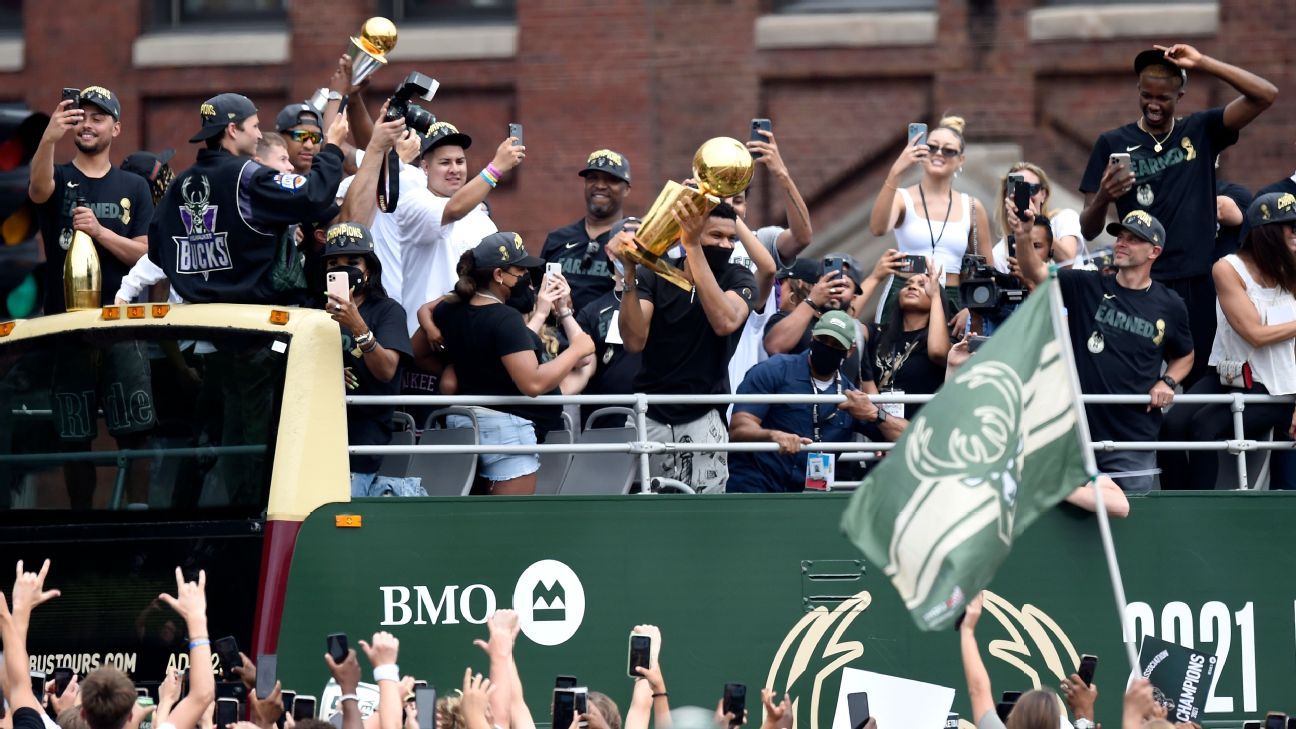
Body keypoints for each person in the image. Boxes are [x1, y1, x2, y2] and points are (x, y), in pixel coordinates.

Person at [1079, 44, 1276, 386]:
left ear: (1180, 94)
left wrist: (1203, 62)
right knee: (1134, 379)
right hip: (1140, 282)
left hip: (1196, 282)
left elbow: (1265, 95)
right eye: (1146, 95)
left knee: (1199, 378)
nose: (1154, 104)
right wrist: (1104, 198)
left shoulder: (1200, 130)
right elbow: (1088, 227)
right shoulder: (1112, 142)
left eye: (1164, 97)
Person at [1018, 209, 1193, 493]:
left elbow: (1185, 355)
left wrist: (1169, 380)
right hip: (1076, 435)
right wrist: (1023, 235)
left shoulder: (1170, 304)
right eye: (1120, 236)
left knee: (1131, 525)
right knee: (1070, 526)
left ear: (1154, 251)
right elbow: (1034, 272)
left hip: (1133, 440)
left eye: (1134, 239)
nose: (1122, 243)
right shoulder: (1086, 284)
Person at [432, 232, 594, 495]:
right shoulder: (504, 318)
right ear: (498, 275)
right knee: (510, 523)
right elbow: (533, 382)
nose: (525, 279)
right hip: (504, 431)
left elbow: (422, 338)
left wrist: (453, 366)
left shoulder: (450, 309)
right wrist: (575, 350)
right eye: (520, 271)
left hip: (464, 423)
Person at [614, 200, 757, 493]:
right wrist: (629, 274)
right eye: (716, 236)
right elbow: (633, 340)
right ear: (689, 232)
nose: (726, 245)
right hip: (651, 415)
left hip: (705, 417)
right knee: (647, 514)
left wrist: (693, 248)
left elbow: (725, 321)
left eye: (731, 238)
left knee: (705, 519)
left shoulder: (738, 277)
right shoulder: (655, 274)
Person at [149, 92, 347, 304]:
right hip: (253, 321)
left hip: (195, 319)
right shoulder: (249, 176)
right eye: (255, 126)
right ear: (233, 130)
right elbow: (313, 194)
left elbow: (156, 249)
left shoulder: (180, 182)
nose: (260, 135)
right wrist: (333, 148)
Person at [1160, 192, 1296, 490]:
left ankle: (1202, 511)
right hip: (1229, 374)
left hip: (1280, 386)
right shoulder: (1228, 267)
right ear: (1269, 233)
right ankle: (1175, 503)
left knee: (1204, 428)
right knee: (1171, 426)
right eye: (1291, 227)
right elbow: (1255, 334)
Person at [728, 311, 908, 493]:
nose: (828, 347)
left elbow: (909, 436)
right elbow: (738, 428)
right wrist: (773, 436)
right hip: (754, 486)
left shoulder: (851, 397)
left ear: (850, 350)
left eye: (836, 345)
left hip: (804, 498)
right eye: (823, 340)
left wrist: (875, 414)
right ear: (812, 337)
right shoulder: (774, 370)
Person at [28, 86, 154, 315]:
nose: (87, 125)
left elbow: (145, 256)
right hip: (63, 321)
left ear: (116, 129)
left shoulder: (135, 185)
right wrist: (48, 139)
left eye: (97, 119)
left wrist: (99, 232)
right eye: (81, 118)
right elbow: (37, 189)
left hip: (121, 321)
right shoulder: (57, 176)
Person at [320, 221, 421, 497]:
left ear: (369, 270)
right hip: (318, 434)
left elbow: (387, 370)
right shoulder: (314, 311)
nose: (342, 269)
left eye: (352, 262)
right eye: (333, 264)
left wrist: (357, 325)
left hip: (363, 439)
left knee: (342, 514)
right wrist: (326, 373)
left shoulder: (388, 312)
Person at [868, 115, 992, 320]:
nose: (939, 154)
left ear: (961, 159)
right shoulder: (902, 198)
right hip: (906, 291)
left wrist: (972, 309)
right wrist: (896, 171)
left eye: (949, 150)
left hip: (952, 296)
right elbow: (878, 228)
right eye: (932, 147)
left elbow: (988, 269)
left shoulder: (971, 206)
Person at [724, 128, 813, 392]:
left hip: (749, 376)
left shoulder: (760, 241)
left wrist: (781, 174)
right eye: (723, 198)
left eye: (738, 200)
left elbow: (802, 236)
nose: (730, 205)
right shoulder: (685, 248)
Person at [541, 149, 632, 313]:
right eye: (593, 178)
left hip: (610, 335)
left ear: (626, 189)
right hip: (558, 335)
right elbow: (536, 292)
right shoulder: (557, 239)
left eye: (611, 179)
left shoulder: (633, 242)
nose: (600, 185)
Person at [575, 217, 644, 428]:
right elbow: (583, 367)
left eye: (641, 247)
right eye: (627, 246)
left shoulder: (665, 301)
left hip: (656, 418)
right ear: (610, 251)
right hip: (605, 422)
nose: (634, 253)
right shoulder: (592, 311)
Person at [762, 258, 867, 385]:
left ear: (854, 296)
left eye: (844, 285)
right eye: (830, 281)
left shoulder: (856, 333)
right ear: (816, 285)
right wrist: (812, 300)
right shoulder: (786, 319)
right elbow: (775, 346)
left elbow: (864, 387)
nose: (836, 289)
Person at [864, 268, 949, 420]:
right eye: (908, 284)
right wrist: (875, 276)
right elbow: (845, 325)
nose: (912, 286)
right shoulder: (877, 332)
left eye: (922, 285)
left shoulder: (943, 341)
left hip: (916, 432)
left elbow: (937, 352)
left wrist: (935, 295)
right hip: (876, 427)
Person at [990, 162, 1083, 270]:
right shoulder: (1000, 252)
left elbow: (1068, 262)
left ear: (1043, 194)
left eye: (1031, 188)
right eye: (1018, 190)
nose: (1026, 195)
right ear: (1006, 196)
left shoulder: (1065, 218)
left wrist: (1037, 221)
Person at [275, 102, 323, 174]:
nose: (309, 145)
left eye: (315, 137)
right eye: (300, 135)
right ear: (280, 138)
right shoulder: (264, 180)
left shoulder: (328, 182)